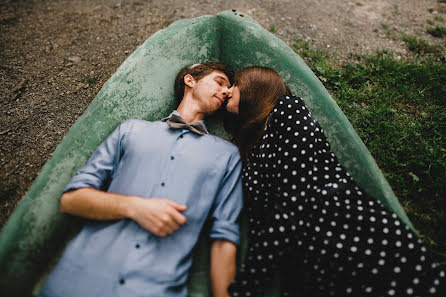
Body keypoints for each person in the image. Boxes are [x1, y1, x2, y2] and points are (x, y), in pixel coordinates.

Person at [224, 66, 445, 296]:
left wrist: (248, 284)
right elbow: (262, 221)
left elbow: (295, 196)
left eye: (235, 84)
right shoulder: (251, 153)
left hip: (345, 226)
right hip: (305, 261)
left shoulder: (287, 109)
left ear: (255, 86)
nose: (228, 91)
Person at [39, 62, 243, 297]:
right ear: (190, 80)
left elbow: (225, 237)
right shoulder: (131, 131)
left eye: (229, 90)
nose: (226, 91)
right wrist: (135, 207)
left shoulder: (228, 156)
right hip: (76, 283)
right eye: (220, 82)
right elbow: (71, 200)